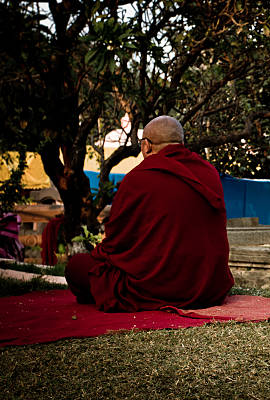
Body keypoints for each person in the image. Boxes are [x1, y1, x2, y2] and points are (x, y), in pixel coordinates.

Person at [65, 116, 234, 312]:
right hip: (207, 287)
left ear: (146, 146)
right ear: (181, 143)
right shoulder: (208, 172)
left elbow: (116, 244)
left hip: (154, 285)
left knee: (77, 267)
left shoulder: (137, 179)